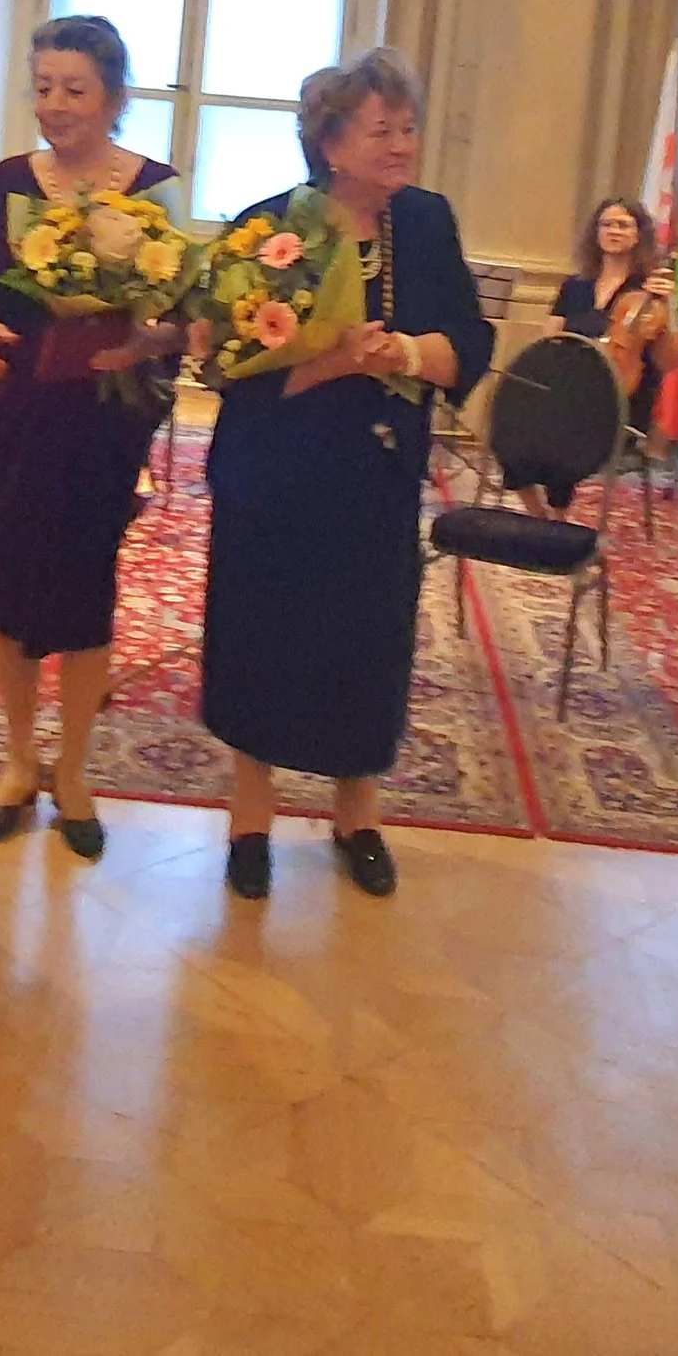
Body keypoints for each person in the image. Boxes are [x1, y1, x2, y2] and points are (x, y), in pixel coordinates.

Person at [202, 51, 493, 900]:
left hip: (375, 472)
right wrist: (330, 360)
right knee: (260, 634)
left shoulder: (427, 223)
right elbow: (230, 366)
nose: (403, 145)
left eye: (409, 128)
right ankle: (250, 819)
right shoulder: (266, 229)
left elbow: (470, 341)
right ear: (330, 143)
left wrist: (404, 352)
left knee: (364, 641)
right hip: (273, 469)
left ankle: (357, 815)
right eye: (382, 130)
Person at [0, 15, 182, 861]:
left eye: (74, 88)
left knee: (82, 595)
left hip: (98, 423)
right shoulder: (11, 180)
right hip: (8, 414)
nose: (55, 104)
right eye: (43, 87)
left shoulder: (153, 189)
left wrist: (145, 340)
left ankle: (73, 771)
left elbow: (185, 318)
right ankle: (16, 762)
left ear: (114, 97)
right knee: (6, 589)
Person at [505, 197, 678, 517]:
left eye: (623, 225)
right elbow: (549, 342)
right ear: (595, 232)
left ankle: (557, 516)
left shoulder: (650, 290)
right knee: (509, 426)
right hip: (567, 389)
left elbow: (670, 361)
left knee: (560, 429)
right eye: (607, 224)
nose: (614, 231)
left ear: (639, 234)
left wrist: (669, 308)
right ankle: (539, 516)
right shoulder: (575, 287)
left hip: (619, 402)